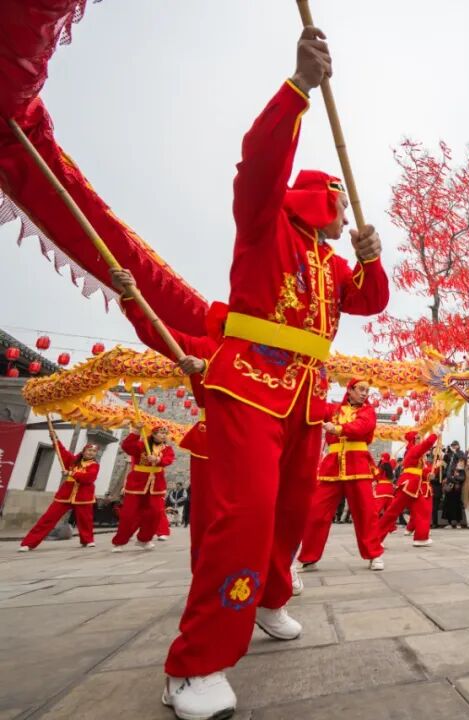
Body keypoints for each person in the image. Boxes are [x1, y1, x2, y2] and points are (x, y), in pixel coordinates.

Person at [162, 27, 391, 720]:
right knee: (246, 515)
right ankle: (194, 663)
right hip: (250, 388)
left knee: (289, 515)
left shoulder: (331, 263)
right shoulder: (267, 224)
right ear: (322, 199)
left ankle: (268, 599)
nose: (347, 215)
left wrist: (371, 257)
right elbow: (258, 164)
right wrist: (299, 88)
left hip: (307, 401)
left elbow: (372, 301)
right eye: (342, 207)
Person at [109, 266, 222, 568]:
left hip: (258, 434)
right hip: (213, 433)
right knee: (207, 509)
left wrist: (207, 367)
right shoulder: (206, 347)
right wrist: (131, 296)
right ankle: (208, 567)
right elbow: (158, 335)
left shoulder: (265, 351)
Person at [298, 379, 385, 572]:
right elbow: (314, 407)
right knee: (317, 512)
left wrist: (337, 429)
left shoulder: (368, 411)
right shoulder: (333, 409)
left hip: (358, 466)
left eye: (367, 390)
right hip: (332, 468)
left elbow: (361, 427)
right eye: (361, 389)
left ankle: (374, 554)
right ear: (350, 390)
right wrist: (309, 385)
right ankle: (309, 557)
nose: (365, 393)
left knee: (366, 513)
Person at [20, 432, 99, 551]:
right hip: (65, 494)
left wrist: (71, 473)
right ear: (84, 451)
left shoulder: (94, 465)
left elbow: (89, 478)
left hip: (84, 496)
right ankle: (29, 543)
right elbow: (61, 452)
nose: (91, 453)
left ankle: (87, 540)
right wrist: (55, 440)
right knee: (48, 518)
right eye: (89, 450)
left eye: (94, 451)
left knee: (85, 521)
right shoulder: (73, 461)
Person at [112, 426, 175, 552]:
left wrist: (158, 459)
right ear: (153, 434)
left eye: (165, 433)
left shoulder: (167, 449)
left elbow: (169, 459)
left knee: (155, 513)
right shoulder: (141, 445)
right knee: (129, 514)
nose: (163, 435)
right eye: (160, 432)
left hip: (156, 485)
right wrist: (136, 432)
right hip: (137, 483)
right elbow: (127, 447)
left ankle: (144, 539)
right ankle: (119, 542)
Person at [377, 431, 439, 547]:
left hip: (414, 486)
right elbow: (426, 444)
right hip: (408, 485)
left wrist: (428, 475)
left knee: (423, 511)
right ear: (413, 440)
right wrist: (435, 433)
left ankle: (421, 538)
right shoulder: (413, 449)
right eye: (418, 438)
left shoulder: (416, 452)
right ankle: (375, 539)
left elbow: (420, 470)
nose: (420, 440)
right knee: (392, 512)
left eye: (420, 438)